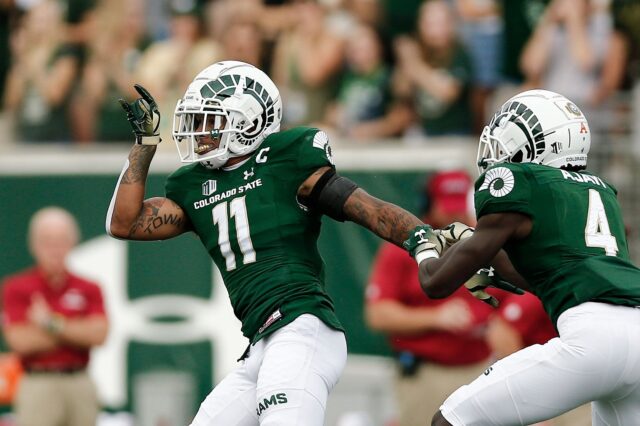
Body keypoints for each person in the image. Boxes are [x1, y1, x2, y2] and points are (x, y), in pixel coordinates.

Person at [105, 60, 478, 425]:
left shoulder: (286, 160)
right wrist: (145, 144)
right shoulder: (193, 185)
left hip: (301, 328)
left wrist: (420, 239)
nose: (198, 132)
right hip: (259, 344)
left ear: (248, 120)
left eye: (209, 121)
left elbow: (367, 208)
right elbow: (124, 222)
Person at [403, 89, 640, 425]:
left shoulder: (520, 182)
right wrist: (480, 254)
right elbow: (549, 278)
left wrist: (422, 245)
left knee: (451, 420)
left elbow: (435, 282)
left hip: (593, 339)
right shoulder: (601, 190)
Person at [365, 170, 502, 426]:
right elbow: (378, 314)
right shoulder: (403, 247)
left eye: (459, 207)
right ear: (428, 204)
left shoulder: (485, 240)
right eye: (446, 206)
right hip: (427, 374)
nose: (454, 215)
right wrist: (436, 317)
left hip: (480, 369)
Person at [1, 206, 109, 426]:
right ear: (35, 245)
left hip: (79, 380)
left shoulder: (88, 287)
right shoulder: (17, 287)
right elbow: (19, 341)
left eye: (61, 241)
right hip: (38, 381)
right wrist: (75, 330)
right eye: (47, 241)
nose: (54, 249)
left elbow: (99, 334)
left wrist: (49, 323)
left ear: (72, 242)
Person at [486, 292, 591, 425]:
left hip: (579, 385)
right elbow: (500, 331)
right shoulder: (537, 297)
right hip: (540, 384)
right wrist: (528, 393)